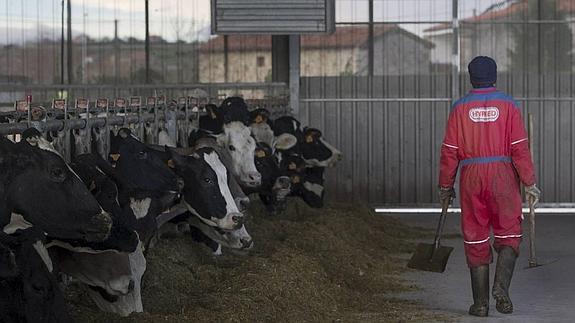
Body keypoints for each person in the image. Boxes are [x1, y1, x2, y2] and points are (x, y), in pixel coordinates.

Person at [438, 56, 541, 317]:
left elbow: (450, 151)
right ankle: (501, 288)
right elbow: (519, 148)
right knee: (509, 233)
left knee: (476, 236)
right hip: (503, 174)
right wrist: (530, 182)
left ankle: (481, 305)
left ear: (471, 78)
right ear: (494, 77)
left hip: (471, 175)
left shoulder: (459, 108)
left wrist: (445, 185)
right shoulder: (508, 105)